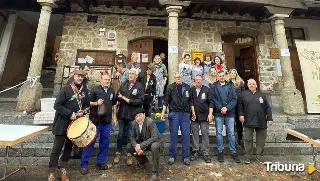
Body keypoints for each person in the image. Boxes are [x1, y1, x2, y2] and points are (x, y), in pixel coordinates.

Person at [47, 70, 90, 181]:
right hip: (62, 123)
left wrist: (83, 112)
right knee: (57, 148)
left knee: (68, 148)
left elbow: (86, 105)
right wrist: (69, 113)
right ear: (74, 76)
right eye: (78, 76)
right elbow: (57, 105)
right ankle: (51, 172)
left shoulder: (85, 90)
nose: (80, 78)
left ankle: (62, 169)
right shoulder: (66, 89)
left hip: (74, 125)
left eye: (82, 76)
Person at [80, 72, 117, 175]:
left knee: (105, 143)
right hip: (95, 121)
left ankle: (100, 162)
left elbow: (114, 103)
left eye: (108, 80)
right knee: (90, 142)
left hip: (107, 121)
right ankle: (84, 165)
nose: (107, 81)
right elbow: (86, 103)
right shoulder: (95, 90)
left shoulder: (111, 90)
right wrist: (96, 103)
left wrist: (114, 116)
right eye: (105, 79)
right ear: (101, 80)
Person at [114, 68, 145, 165]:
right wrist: (117, 96)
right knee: (120, 134)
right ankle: (118, 152)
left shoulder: (139, 86)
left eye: (132, 74)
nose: (130, 75)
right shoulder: (124, 84)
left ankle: (129, 155)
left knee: (130, 136)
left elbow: (141, 100)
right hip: (122, 114)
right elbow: (118, 96)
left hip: (132, 114)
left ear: (136, 76)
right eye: (129, 73)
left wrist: (129, 100)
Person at [238, 79, 273, 164]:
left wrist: (269, 118)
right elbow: (240, 106)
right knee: (247, 139)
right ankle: (247, 156)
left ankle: (259, 155)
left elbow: (267, 108)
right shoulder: (243, 94)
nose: (252, 85)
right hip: (248, 120)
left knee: (261, 139)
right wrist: (241, 115)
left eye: (253, 84)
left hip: (261, 120)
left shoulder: (262, 95)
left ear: (256, 85)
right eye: (250, 84)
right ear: (247, 85)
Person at [161, 73, 191, 165]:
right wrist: (163, 113)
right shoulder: (170, 87)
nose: (179, 78)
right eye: (177, 77)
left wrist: (192, 112)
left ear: (182, 78)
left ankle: (186, 156)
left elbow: (191, 101)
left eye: (180, 77)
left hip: (185, 114)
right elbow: (166, 101)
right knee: (173, 135)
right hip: (174, 113)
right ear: (175, 78)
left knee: (186, 135)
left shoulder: (187, 87)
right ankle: (172, 156)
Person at [127, 108, 163, 181]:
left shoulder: (150, 122)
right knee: (129, 147)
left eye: (140, 115)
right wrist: (136, 146)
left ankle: (155, 173)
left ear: (144, 115)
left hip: (156, 143)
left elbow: (154, 137)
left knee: (154, 146)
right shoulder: (134, 123)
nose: (138, 118)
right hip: (144, 143)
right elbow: (132, 137)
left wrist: (141, 146)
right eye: (136, 116)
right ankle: (144, 161)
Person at [211, 70, 240, 163]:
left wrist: (227, 108)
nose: (222, 77)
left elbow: (234, 99)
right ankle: (220, 151)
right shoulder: (214, 86)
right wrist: (221, 108)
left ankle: (233, 152)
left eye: (223, 76)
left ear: (225, 76)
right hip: (218, 113)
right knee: (219, 133)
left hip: (230, 113)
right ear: (217, 77)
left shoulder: (231, 86)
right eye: (220, 76)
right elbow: (213, 98)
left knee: (231, 132)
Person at [67, 64, 90, 159]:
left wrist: (84, 110)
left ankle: (78, 152)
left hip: (81, 112)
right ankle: (70, 153)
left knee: (80, 132)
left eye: (88, 70)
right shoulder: (71, 82)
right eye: (86, 70)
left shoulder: (85, 81)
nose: (87, 72)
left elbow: (86, 98)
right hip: (71, 113)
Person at [190, 75, 213, 163]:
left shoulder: (207, 89)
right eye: (197, 80)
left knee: (205, 134)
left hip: (204, 115)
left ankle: (205, 152)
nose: (198, 81)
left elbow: (211, 102)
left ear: (202, 81)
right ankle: (195, 151)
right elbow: (191, 101)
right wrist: (193, 112)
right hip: (194, 116)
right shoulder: (192, 89)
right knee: (194, 134)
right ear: (194, 81)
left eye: (200, 80)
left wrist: (210, 114)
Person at [229, 69, 245, 146]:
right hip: (231, 105)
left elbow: (243, 93)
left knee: (239, 123)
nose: (232, 74)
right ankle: (233, 140)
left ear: (236, 74)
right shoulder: (227, 83)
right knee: (231, 124)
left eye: (234, 73)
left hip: (239, 105)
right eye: (231, 73)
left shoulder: (240, 83)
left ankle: (240, 138)